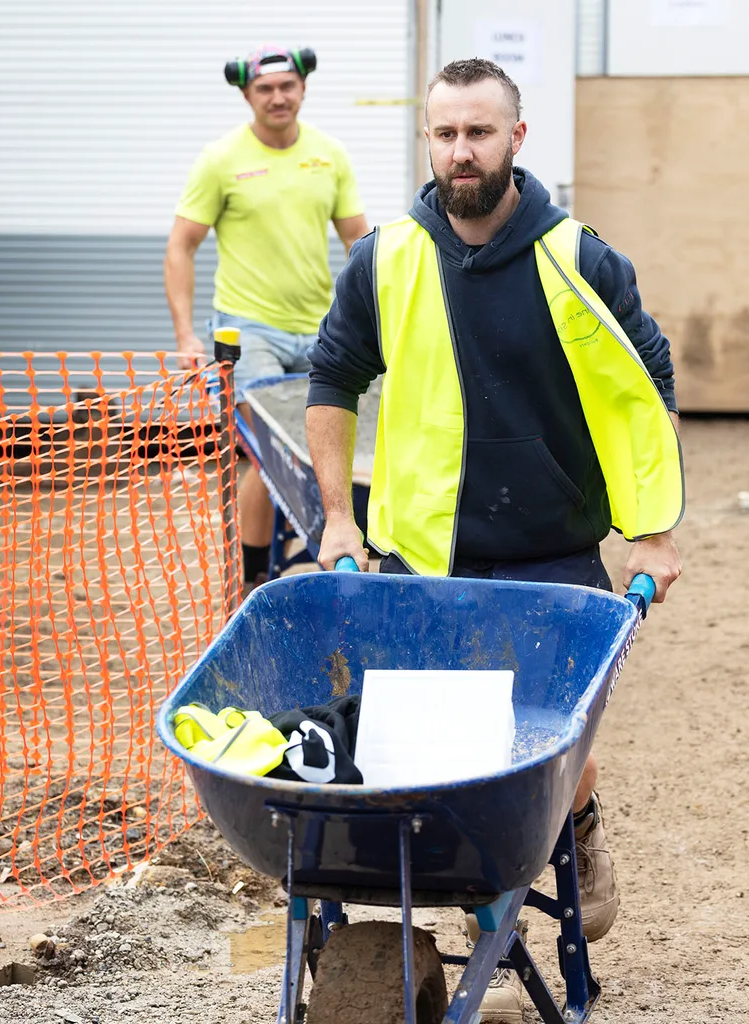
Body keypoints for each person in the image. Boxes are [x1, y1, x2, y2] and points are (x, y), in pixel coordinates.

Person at [306, 58, 683, 1022]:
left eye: (479, 132)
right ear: (426, 141)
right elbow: (332, 381)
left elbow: (645, 383)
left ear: (516, 138)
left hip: (550, 546)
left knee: (548, 741)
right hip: (421, 552)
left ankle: (575, 821)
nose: (459, 151)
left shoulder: (579, 257)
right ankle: (440, 897)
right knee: (410, 747)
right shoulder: (386, 256)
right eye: (444, 133)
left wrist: (650, 531)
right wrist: (339, 520)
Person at [164, 45, 369, 596]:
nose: (278, 97)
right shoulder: (220, 159)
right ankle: (253, 575)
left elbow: (359, 242)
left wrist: (374, 322)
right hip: (247, 330)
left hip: (320, 329)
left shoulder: (330, 155)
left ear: (302, 88)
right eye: (265, 89)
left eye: (287, 86)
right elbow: (181, 247)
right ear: (247, 94)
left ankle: (335, 546)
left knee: (336, 441)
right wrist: (186, 334)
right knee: (265, 452)